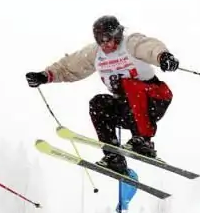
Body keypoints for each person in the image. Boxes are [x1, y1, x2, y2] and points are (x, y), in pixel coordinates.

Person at [25, 15, 179, 174]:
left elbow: (149, 47)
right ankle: (114, 158)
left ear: (118, 35)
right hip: (128, 110)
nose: (104, 44)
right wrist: (44, 76)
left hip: (153, 98)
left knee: (128, 84)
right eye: (100, 40)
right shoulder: (95, 54)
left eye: (108, 38)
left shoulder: (130, 43)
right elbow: (69, 67)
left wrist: (163, 57)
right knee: (99, 102)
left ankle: (143, 140)